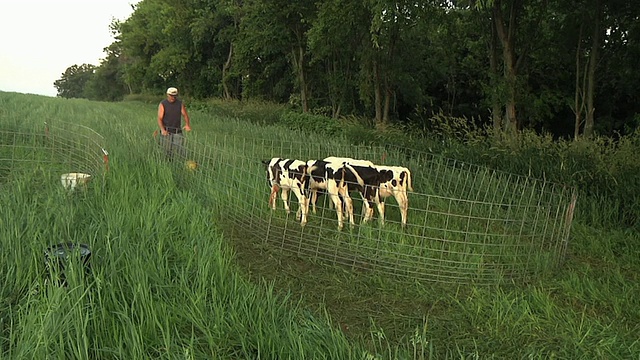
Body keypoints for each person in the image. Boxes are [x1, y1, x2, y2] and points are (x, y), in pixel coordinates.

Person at [157, 87, 191, 159]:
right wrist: (163, 130)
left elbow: (185, 115)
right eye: (171, 96)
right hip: (166, 131)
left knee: (181, 150)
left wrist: (187, 125)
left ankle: (182, 163)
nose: (173, 97)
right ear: (167, 95)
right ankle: (168, 164)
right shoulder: (163, 104)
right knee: (167, 151)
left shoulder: (179, 104)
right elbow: (160, 118)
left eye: (174, 96)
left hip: (177, 131)